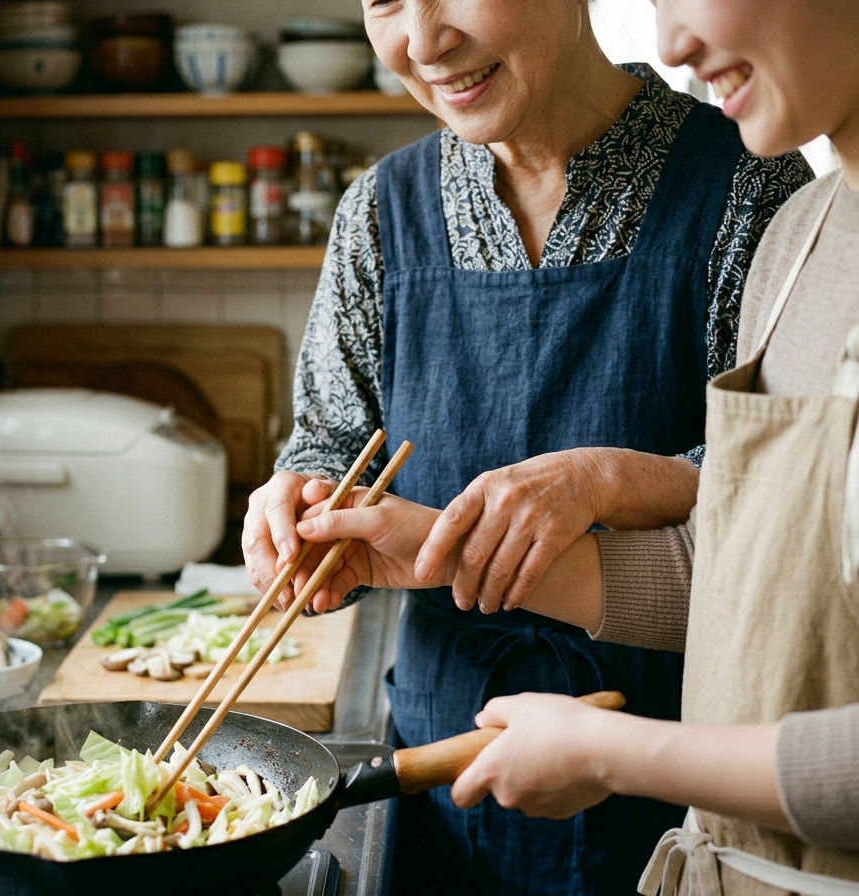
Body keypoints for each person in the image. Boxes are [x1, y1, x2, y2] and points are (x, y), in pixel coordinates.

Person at [243, 1, 813, 892]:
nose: (424, 43)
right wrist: (300, 496)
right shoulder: (378, 214)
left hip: (675, 773)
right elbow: (330, 439)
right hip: (437, 771)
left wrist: (610, 480)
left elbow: (791, 506)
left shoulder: (751, 185)